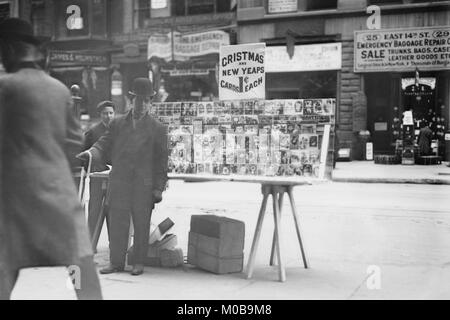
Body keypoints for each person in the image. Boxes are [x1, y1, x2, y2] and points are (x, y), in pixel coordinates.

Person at [0, 18, 102, 300]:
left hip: (12, 205)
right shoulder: (59, 90)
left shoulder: (5, 87)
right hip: (57, 200)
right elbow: (74, 142)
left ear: (8, 49)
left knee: (5, 268)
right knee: (79, 268)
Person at [77, 78, 168, 276]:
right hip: (119, 182)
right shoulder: (117, 123)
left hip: (143, 186)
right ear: (131, 100)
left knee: (141, 226)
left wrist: (158, 188)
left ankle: (138, 263)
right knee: (118, 223)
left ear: (150, 103)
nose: (141, 104)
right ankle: (116, 263)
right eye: (138, 100)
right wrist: (91, 153)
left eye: (145, 100)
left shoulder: (158, 128)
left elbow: (162, 163)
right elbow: (103, 144)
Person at [84, 101, 116, 245]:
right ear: (100, 115)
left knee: (113, 210)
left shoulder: (119, 129)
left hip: (114, 176)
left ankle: (113, 243)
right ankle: (91, 244)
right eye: (105, 113)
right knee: (94, 210)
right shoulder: (93, 132)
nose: (108, 116)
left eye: (110, 113)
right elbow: (85, 154)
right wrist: (92, 169)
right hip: (97, 176)